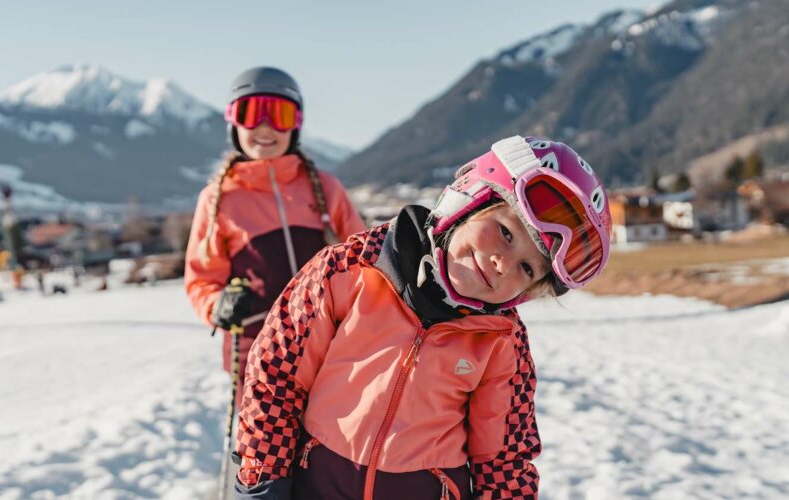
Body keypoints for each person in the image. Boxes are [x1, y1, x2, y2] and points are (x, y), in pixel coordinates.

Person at [233, 136, 613, 499]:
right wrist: (262, 482)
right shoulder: (346, 272)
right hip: (317, 486)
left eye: (527, 269)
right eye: (505, 233)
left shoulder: (500, 342)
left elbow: (503, 457)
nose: (502, 264)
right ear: (469, 201)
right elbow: (275, 379)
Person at [184, 66, 366, 404]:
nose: (265, 128)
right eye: (251, 114)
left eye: (279, 115)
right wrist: (216, 305)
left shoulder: (325, 188)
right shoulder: (219, 198)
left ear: (295, 124)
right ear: (233, 123)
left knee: (328, 449)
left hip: (330, 346)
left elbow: (366, 258)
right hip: (258, 354)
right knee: (270, 452)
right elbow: (201, 278)